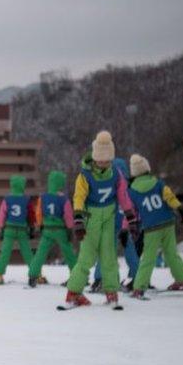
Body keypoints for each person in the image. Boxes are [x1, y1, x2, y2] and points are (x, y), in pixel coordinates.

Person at [62, 131, 139, 308]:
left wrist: (131, 218)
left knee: (109, 257)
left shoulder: (116, 174)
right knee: (86, 258)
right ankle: (73, 293)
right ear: (95, 158)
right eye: (100, 160)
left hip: (109, 219)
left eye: (107, 160)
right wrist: (79, 221)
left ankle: (111, 293)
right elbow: (79, 197)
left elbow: (123, 196)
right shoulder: (85, 176)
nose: (103, 164)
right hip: (91, 221)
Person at [125, 154, 183, 299]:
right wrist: (180, 209)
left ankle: (139, 287)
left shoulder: (132, 191)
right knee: (171, 254)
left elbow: (131, 211)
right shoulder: (158, 183)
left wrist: (130, 227)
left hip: (151, 227)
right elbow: (170, 197)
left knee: (148, 258)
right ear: (146, 168)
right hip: (168, 222)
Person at [90, 158, 140, 292]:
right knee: (130, 251)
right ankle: (138, 277)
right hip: (126, 226)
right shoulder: (129, 189)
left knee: (106, 252)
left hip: (110, 225)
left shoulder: (110, 186)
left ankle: (101, 278)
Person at [27, 170, 77, 288]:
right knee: (68, 253)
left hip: (47, 229)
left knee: (40, 253)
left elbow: (38, 212)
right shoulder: (63, 199)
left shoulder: (43, 197)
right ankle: (77, 276)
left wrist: (40, 224)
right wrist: (70, 228)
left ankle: (33, 275)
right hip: (60, 230)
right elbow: (68, 215)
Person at [0, 175, 34, 284]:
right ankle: (35, 273)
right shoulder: (26, 199)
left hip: (9, 228)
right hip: (22, 228)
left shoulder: (7, 199)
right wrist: (32, 226)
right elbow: (30, 214)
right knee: (27, 252)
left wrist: (1, 226)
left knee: (5, 252)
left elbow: (2, 213)